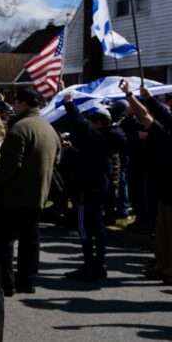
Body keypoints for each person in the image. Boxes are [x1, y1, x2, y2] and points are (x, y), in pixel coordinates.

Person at [0, 88, 61, 295]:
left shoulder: (20, 129)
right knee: (30, 239)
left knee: (5, 240)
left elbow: (9, 165)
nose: (13, 107)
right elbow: (57, 159)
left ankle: (7, 282)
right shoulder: (49, 129)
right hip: (39, 193)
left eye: (16, 103)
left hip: (14, 194)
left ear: (23, 104)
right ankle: (27, 281)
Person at [61, 96, 126, 282]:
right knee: (98, 227)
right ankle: (99, 263)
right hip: (100, 187)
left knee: (85, 227)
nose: (89, 123)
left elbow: (80, 124)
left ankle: (90, 264)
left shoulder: (98, 136)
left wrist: (68, 103)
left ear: (98, 122)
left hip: (88, 186)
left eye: (91, 120)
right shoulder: (112, 136)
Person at [120, 82, 172, 285]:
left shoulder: (166, 134)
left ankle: (169, 270)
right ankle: (162, 266)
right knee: (162, 235)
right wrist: (136, 96)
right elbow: (150, 116)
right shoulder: (165, 132)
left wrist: (137, 97)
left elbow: (151, 117)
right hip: (164, 191)